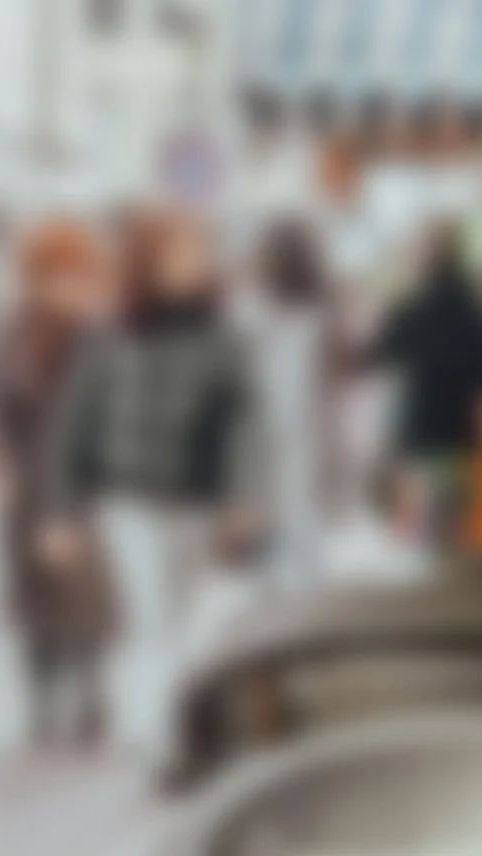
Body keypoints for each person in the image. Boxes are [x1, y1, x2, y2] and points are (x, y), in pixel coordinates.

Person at [39, 205, 265, 752]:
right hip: (129, 500)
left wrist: (244, 494)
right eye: (180, 252)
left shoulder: (223, 337)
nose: (194, 262)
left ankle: (182, 724)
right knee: (151, 619)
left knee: (190, 621)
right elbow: (72, 425)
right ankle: (161, 738)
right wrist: (60, 511)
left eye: (199, 252)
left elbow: (245, 422)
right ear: (148, 261)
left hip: (197, 500)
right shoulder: (108, 337)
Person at [0, 220, 119, 748]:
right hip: (23, 481)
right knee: (32, 595)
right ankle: (42, 696)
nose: (66, 288)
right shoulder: (8, 331)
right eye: (54, 275)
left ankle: (91, 692)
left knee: (83, 591)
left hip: (76, 480)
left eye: (75, 275)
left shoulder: (96, 335)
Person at [361, 223, 482, 550]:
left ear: (424, 263)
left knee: (422, 538)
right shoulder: (481, 316)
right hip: (463, 438)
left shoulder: (408, 311)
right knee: (459, 532)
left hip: (418, 438)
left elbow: (376, 356)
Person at [244, 219, 332, 590]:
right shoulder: (320, 311)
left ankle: (273, 579)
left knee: (268, 508)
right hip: (305, 425)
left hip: (263, 425)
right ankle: (302, 580)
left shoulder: (248, 311)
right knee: (301, 508)